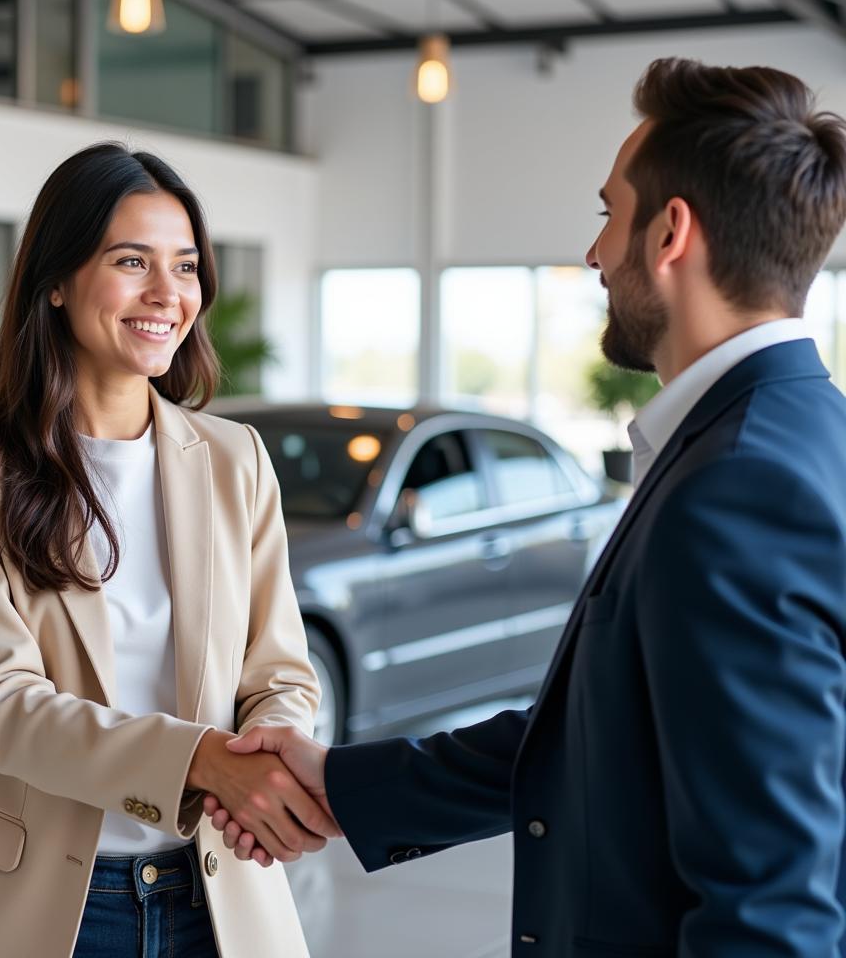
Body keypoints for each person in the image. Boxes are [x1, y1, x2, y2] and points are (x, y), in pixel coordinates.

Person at [202, 58, 846, 956]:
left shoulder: (738, 488)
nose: (592, 254)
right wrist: (342, 783)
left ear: (670, 235)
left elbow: (771, 905)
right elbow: (596, 735)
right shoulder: (799, 432)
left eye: (606, 215)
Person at [0, 143, 338, 958]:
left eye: (185, 266)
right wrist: (203, 760)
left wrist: (266, 758)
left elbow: (278, 671)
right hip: (38, 899)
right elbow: (2, 704)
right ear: (56, 281)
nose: (167, 295)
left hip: (218, 890)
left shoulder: (235, 457)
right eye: (132, 261)